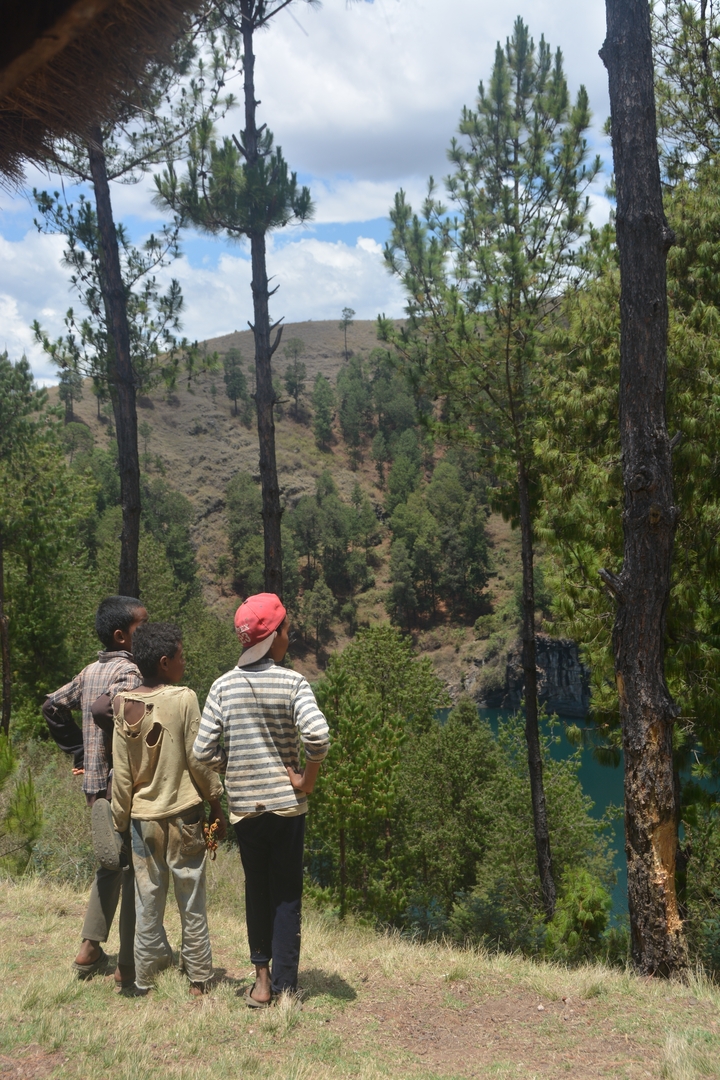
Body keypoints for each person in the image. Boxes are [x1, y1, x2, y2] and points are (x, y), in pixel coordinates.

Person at [193, 592, 330, 1007]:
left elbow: (201, 753)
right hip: (287, 806)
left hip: (246, 809)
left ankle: (262, 982)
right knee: (286, 892)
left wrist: (230, 766)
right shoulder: (292, 682)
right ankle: (288, 988)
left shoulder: (222, 686)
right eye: (286, 628)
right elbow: (318, 737)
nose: (290, 634)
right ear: (274, 637)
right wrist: (306, 779)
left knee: (258, 890)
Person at [111, 622, 227, 997]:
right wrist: (216, 803)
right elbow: (199, 759)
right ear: (164, 663)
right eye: (180, 655)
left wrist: (120, 820)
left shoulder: (123, 703)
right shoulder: (184, 698)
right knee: (190, 896)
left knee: (148, 898)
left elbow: (123, 773)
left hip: (142, 820)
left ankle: (143, 981)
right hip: (184, 816)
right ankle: (198, 978)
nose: (184, 661)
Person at [43, 595, 147, 987]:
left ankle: (89, 950)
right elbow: (109, 710)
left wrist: (80, 751)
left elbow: (52, 706)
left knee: (109, 865)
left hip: (94, 788)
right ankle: (129, 963)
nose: (148, 633)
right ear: (122, 636)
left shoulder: (89, 671)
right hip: (123, 787)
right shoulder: (131, 673)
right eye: (142, 627)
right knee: (136, 869)